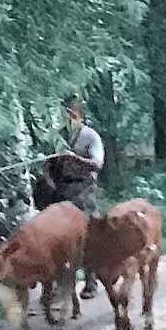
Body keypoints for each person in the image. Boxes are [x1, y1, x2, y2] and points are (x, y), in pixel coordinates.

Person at [59, 97, 105, 296]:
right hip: (63, 188)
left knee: (87, 235)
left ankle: (91, 282)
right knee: (61, 236)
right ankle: (62, 285)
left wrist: (74, 157)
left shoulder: (90, 136)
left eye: (71, 114)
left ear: (78, 115)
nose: (67, 118)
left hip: (84, 190)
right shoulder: (60, 136)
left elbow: (97, 164)